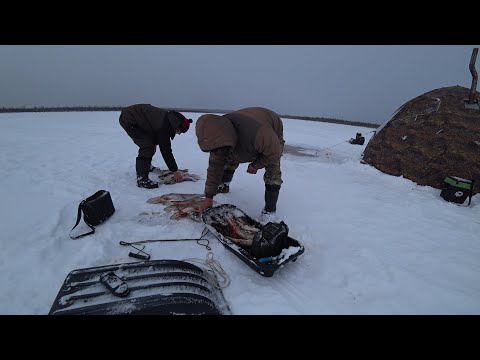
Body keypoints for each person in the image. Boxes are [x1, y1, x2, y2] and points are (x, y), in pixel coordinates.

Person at [195, 107, 285, 218]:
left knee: (273, 171)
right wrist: (209, 197)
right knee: (229, 158)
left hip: (269, 128)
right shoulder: (217, 135)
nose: (219, 152)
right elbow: (215, 167)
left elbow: (274, 152)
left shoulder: (260, 133)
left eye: (222, 148)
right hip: (245, 133)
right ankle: (224, 185)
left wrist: (256, 165)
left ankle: (269, 211)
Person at [119, 104, 193, 189]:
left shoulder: (169, 119)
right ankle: (142, 179)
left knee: (153, 141)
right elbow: (166, 150)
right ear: (177, 126)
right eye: (180, 131)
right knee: (147, 145)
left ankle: (147, 166)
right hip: (129, 120)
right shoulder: (164, 126)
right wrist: (175, 171)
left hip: (136, 118)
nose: (179, 133)